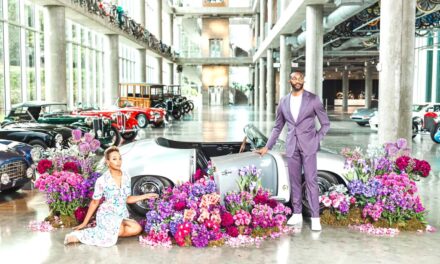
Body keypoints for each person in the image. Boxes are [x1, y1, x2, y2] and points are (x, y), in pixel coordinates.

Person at [256, 71, 330, 231]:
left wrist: (316, 140)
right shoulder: (283, 101)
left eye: (300, 78)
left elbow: (325, 124)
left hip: (308, 146)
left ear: (304, 79)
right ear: (289, 80)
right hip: (292, 146)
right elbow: (278, 127)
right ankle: (297, 214)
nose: (297, 80)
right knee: (294, 180)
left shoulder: (313, 99)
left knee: (311, 181)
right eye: (294, 78)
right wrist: (267, 146)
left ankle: (315, 216)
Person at [64, 146, 159, 246]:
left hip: (121, 214)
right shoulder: (102, 180)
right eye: (114, 159)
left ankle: (108, 232)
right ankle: (79, 236)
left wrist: (146, 196)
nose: (118, 162)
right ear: (107, 162)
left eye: (119, 158)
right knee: (121, 229)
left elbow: (127, 199)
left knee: (137, 229)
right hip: (106, 213)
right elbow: (95, 202)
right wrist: (84, 223)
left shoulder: (126, 176)